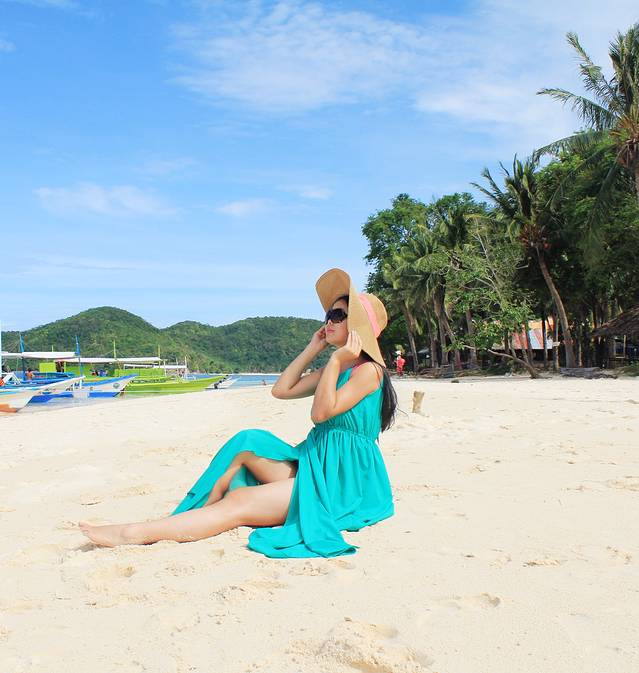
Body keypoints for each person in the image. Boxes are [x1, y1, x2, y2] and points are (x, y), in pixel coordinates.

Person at [79, 268, 397, 558]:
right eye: (328, 314)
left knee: (240, 500)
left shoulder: (369, 372)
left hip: (343, 482)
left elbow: (320, 414)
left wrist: (337, 360)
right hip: (315, 464)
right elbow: (281, 390)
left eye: (339, 315)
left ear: (357, 327)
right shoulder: (335, 369)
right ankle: (193, 514)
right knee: (247, 441)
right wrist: (314, 349)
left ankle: (134, 533)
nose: (328, 321)